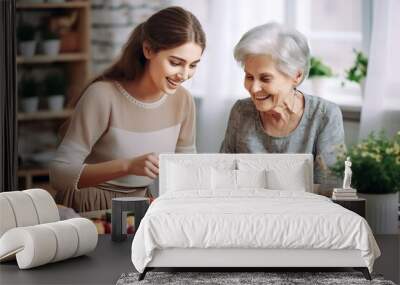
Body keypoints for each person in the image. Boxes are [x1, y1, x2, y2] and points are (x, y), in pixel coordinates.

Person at [50, 6, 206, 212]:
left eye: (193, 65)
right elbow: (58, 175)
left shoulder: (184, 100)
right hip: (91, 206)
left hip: (143, 206)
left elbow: (187, 170)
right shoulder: (103, 96)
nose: (184, 75)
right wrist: (127, 166)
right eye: (176, 63)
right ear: (148, 50)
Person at [220, 23, 345, 184]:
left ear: (296, 76)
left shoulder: (324, 116)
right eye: (249, 77)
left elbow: (331, 186)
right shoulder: (241, 111)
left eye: (265, 78)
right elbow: (223, 176)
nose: (254, 88)